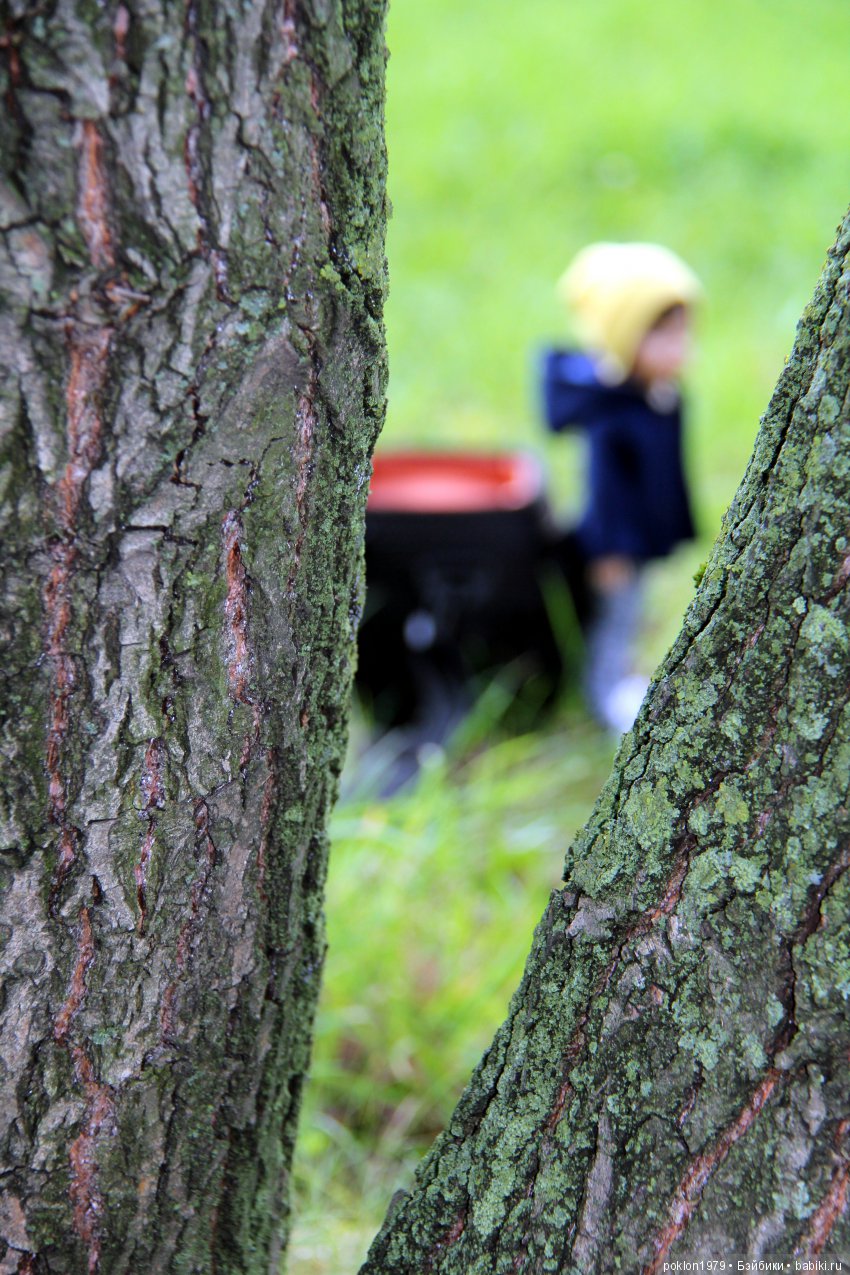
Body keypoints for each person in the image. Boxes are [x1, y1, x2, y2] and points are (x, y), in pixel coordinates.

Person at [540, 241, 700, 733]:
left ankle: (609, 681)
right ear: (626, 337)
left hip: (640, 538)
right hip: (617, 546)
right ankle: (604, 692)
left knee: (629, 613)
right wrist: (610, 551)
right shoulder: (614, 418)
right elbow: (606, 490)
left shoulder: (655, 395)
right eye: (664, 339)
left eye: (685, 336)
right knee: (615, 616)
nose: (681, 351)